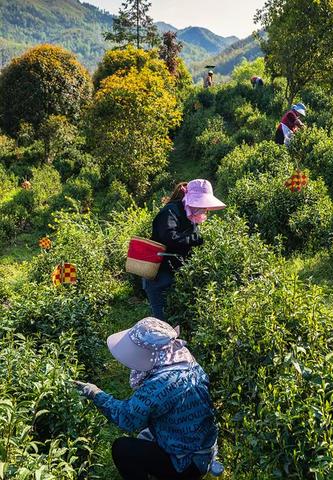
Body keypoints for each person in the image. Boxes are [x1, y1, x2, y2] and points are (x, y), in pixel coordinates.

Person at [74, 317, 222, 480]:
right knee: (145, 435)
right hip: (203, 446)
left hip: (187, 463)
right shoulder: (182, 358)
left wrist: (95, 393)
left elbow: (127, 418)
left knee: (122, 448)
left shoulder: (160, 384)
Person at [143, 179, 225, 319]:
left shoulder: (190, 215)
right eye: (202, 205)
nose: (204, 209)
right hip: (159, 274)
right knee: (162, 320)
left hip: (174, 272)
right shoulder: (169, 212)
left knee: (176, 319)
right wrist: (196, 239)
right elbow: (170, 239)